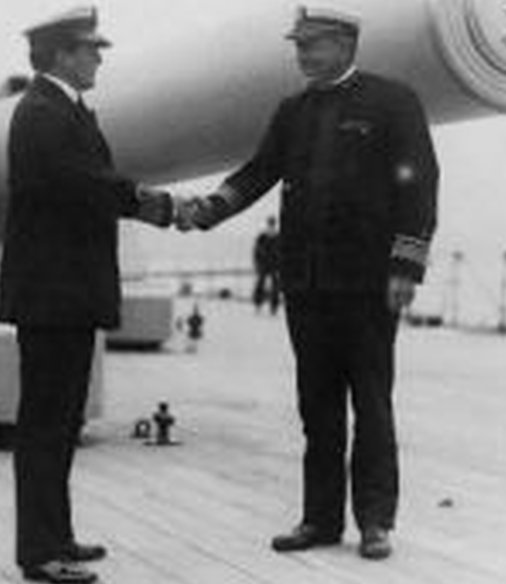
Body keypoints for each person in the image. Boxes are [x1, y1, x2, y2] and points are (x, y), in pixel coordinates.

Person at [177, 4, 438, 560]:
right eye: (298, 45)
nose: (300, 54)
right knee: (316, 406)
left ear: (345, 43)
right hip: (306, 286)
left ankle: (375, 521)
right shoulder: (292, 112)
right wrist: (210, 207)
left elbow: (418, 186)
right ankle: (320, 520)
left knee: (371, 402)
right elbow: (258, 171)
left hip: (369, 285)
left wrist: (406, 267)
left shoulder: (392, 102)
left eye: (311, 44)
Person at [0, 6, 173, 584]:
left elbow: (86, 185)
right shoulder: (42, 114)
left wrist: (145, 200)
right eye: (90, 49)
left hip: (66, 294)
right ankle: (39, 554)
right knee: (46, 422)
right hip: (53, 295)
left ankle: (57, 537)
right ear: (61, 55)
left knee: (60, 420)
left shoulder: (63, 111)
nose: (98, 57)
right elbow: (83, 185)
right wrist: (155, 202)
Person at [252, 215, 282, 314]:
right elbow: (256, 252)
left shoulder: (278, 237)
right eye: (270, 223)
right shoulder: (262, 237)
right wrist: (257, 264)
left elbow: (282, 252)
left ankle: (274, 307)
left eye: (273, 223)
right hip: (264, 265)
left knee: (275, 287)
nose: (271, 225)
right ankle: (258, 304)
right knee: (260, 284)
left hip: (274, 265)